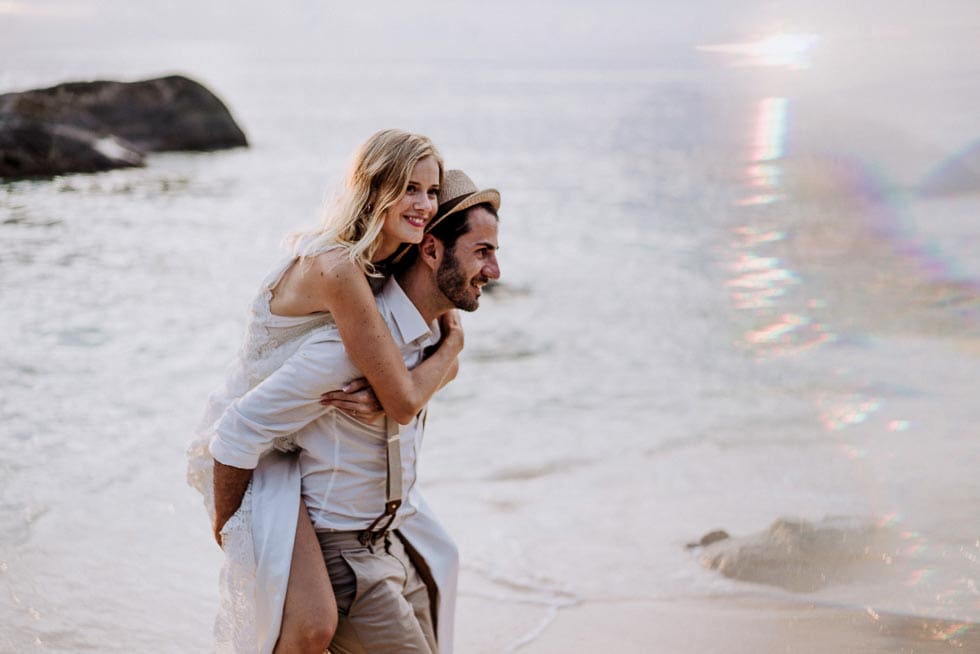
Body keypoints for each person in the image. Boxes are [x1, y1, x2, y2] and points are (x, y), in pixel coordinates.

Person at [186, 130, 464, 653]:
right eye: (409, 188)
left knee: (319, 625)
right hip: (248, 453)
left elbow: (402, 382)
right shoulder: (339, 268)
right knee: (311, 625)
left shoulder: (390, 263)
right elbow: (405, 398)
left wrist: (429, 365)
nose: (425, 204)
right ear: (373, 188)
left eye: (432, 191)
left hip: (295, 448)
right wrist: (454, 346)